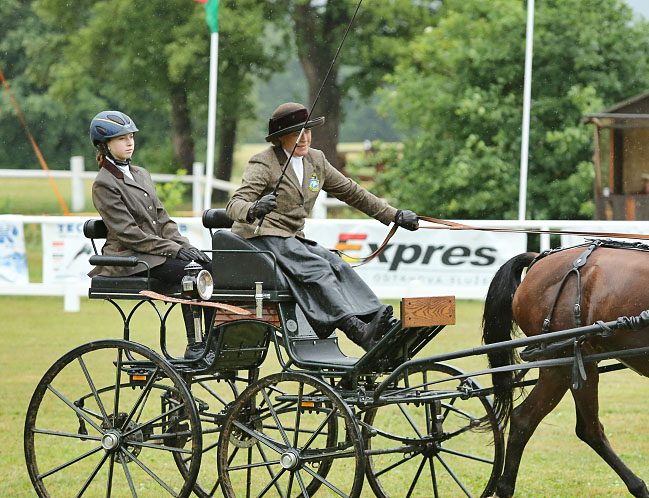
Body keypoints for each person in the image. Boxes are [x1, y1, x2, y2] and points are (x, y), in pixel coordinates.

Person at [226, 102, 419, 350]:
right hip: (260, 238)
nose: (305, 138)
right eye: (297, 133)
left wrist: (394, 215)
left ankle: (378, 319)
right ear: (281, 137)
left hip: (292, 239)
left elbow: (352, 192)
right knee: (317, 267)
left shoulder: (316, 160)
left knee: (337, 263)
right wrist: (253, 209)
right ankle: (357, 330)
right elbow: (235, 204)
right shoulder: (263, 162)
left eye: (308, 131)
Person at [87, 110, 212, 359]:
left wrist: (186, 246)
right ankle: (197, 345)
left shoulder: (141, 174)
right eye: (122, 138)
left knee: (212, 265)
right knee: (193, 274)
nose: (130, 142)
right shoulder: (105, 184)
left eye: (131, 136)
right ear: (105, 145)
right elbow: (129, 234)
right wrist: (175, 250)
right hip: (130, 259)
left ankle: (215, 338)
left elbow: (163, 219)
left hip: (154, 254)